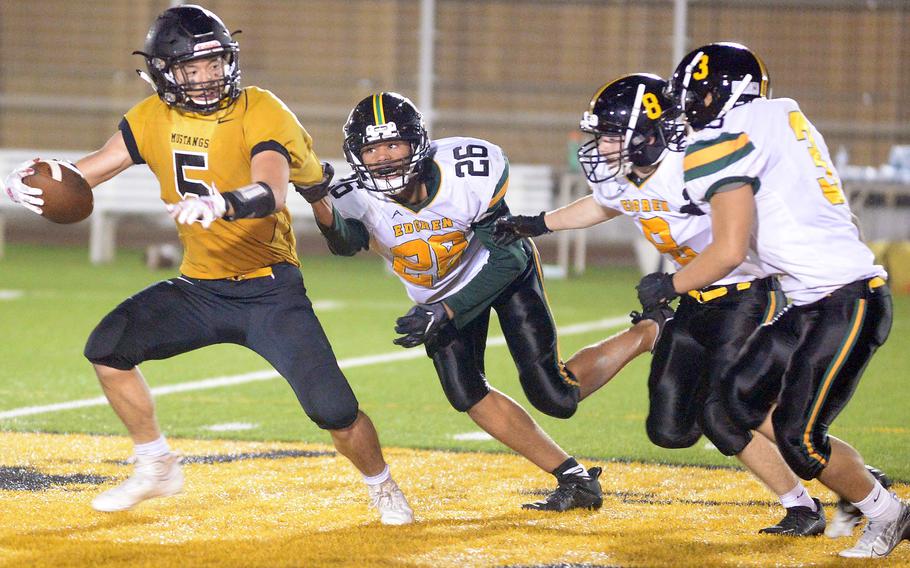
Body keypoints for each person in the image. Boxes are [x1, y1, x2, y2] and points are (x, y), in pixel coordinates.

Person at [2, 5, 413, 525]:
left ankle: (383, 486)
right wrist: (34, 181)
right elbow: (84, 175)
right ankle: (155, 464)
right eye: (191, 69)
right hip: (200, 288)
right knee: (107, 349)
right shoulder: (150, 116)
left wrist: (227, 203)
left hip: (269, 290)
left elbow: (272, 188)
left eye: (215, 64)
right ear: (163, 73)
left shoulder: (260, 108)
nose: (207, 78)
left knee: (333, 411)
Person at [493, 73, 836, 536]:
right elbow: (605, 203)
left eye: (614, 134)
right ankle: (661, 336)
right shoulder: (630, 173)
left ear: (649, 131)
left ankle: (808, 501)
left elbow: (739, 235)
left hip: (747, 296)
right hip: (693, 302)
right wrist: (538, 223)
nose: (604, 146)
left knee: (729, 413)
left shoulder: (699, 162)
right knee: (670, 431)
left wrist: (673, 281)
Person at [636, 41, 907, 558]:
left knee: (799, 439)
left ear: (727, 96)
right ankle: (858, 485)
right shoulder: (782, 116)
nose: (689, 109)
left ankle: (889, 514)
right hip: (812, 299)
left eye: (698, 96)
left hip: (844, 300)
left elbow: (729, 248)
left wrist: (668, 285)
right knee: (732, 405)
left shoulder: (725, 137)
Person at [299, 91, 603, 511]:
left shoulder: (465, 171)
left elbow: (509, 256)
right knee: (465, 392)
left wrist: (444, 310)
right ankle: (575, 479)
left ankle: (647, 331)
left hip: (497, 272)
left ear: (418, 144)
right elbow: (347, 242)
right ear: (357, 155)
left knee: (554, 395)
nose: (385, 158)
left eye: (394, 144)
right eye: (372, 149)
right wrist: (319, 201)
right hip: (437, 290)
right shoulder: (352, 192)